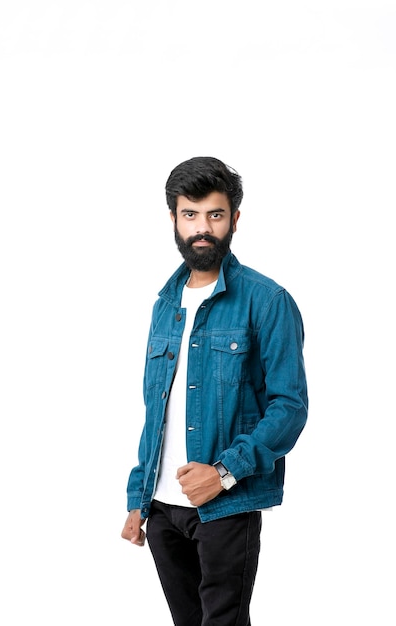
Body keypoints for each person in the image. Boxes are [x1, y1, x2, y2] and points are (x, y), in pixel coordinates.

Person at [121, 156, 308, 626]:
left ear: (235, 220)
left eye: (215, 214)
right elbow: (155, 408)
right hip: (163, 508)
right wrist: (137, 499)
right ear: (173, 219)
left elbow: (289, 406)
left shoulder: (268, 300)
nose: (202, 228)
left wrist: (223, 474)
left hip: (225, 503)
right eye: (190, 214)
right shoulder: (165, 304)